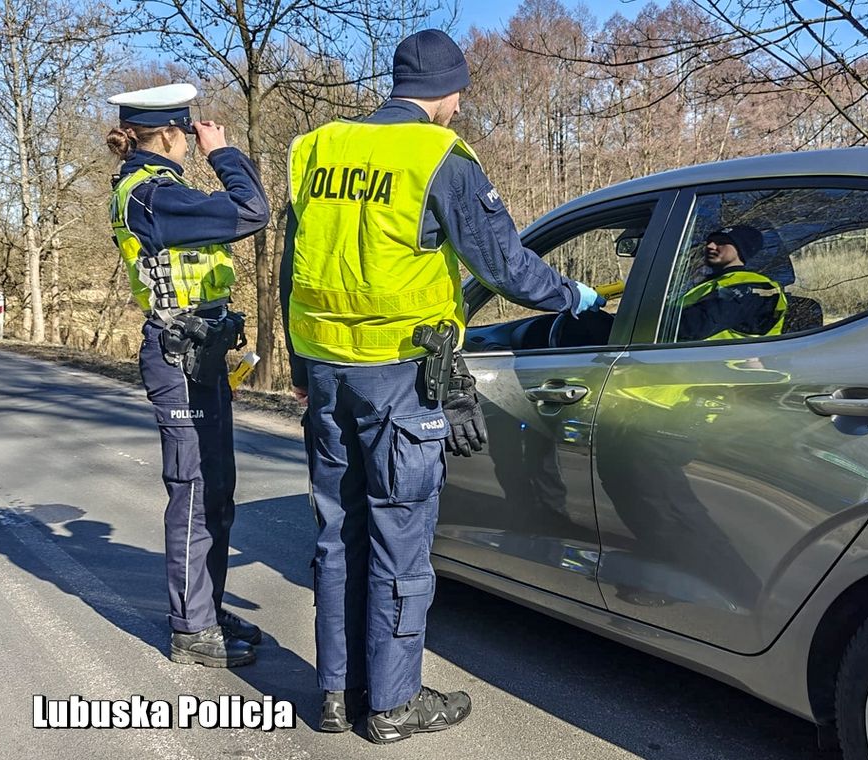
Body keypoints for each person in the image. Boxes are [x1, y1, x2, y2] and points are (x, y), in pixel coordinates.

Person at [281, 29, 605, 744]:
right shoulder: (440, 159)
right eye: (458, 97)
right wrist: (573, 298)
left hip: (329, 371)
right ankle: (394, 704)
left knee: (339, 533)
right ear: (449, 94)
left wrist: (302, 368)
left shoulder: (317, 149)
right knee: (399, 538)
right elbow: (505, 267)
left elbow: (290, 268)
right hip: (399, 375)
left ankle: (337, 693)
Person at [106, 83, 270, 667]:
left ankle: (207, 605)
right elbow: (252, 210)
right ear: (174, 133)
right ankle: (191, 627)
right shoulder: (151, 195)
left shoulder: (165, 190)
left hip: (201, 352)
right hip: (179, 356)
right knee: (195, 490)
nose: (194, 138)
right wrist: (222, 153)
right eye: (190, 131)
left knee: (216, 490)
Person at [678, 225, 788, 341]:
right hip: (688, 356)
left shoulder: (754, 287)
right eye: (709, 242)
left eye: (721, 242)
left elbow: (693, 327)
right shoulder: (709, 284)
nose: (710, 246)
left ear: (741, 249)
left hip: (724, 358)